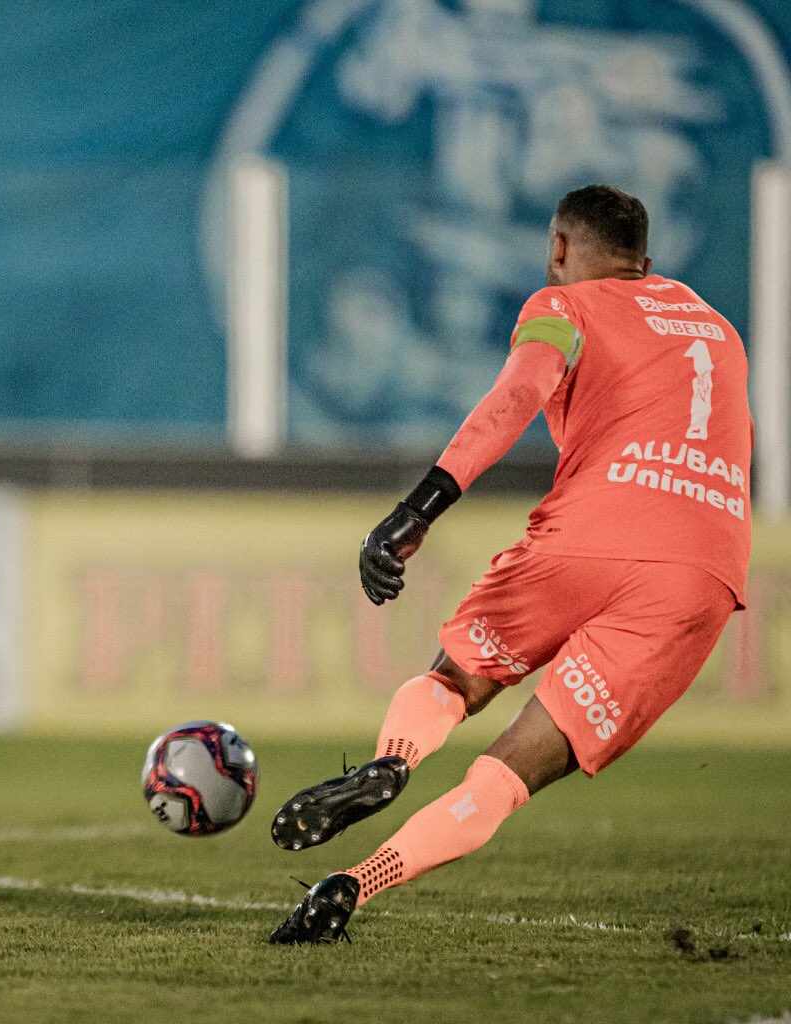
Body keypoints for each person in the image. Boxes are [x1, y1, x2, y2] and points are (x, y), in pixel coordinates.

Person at [269, 184, 752, 944]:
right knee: (507, 777)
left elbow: (519, 392)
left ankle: (393, 762)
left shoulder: (565, 307)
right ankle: (355, 886)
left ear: (559, 249)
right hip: (703, 571)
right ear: (646, 264)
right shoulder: (721, 329)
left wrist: (419, 507)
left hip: (594, 530)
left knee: (454, 681)